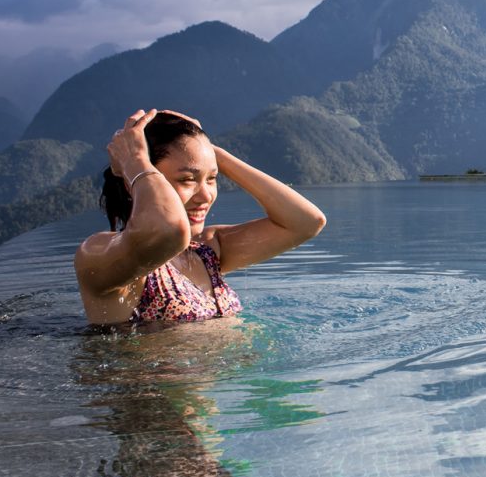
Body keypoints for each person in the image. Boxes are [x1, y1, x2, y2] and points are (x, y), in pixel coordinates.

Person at [75, 109, 326, 325]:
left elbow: (305, 222)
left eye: (212, 179)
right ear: (134, 183)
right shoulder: (98, 256)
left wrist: (205, 148)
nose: (205, 195)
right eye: (187, 179)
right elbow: (168, 231)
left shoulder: (207, 251)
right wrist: (135, 162)